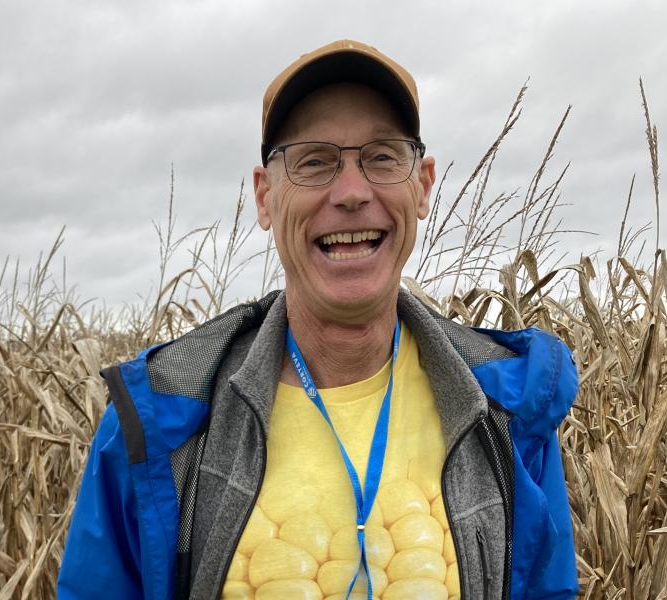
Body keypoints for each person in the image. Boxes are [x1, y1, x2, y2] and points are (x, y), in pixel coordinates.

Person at [58, 39, 578, 600]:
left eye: (382, 157)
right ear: (264, 197)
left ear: (423, 185)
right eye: (313, 162)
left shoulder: (509, 411)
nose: (352, 193)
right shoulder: (158, 424)